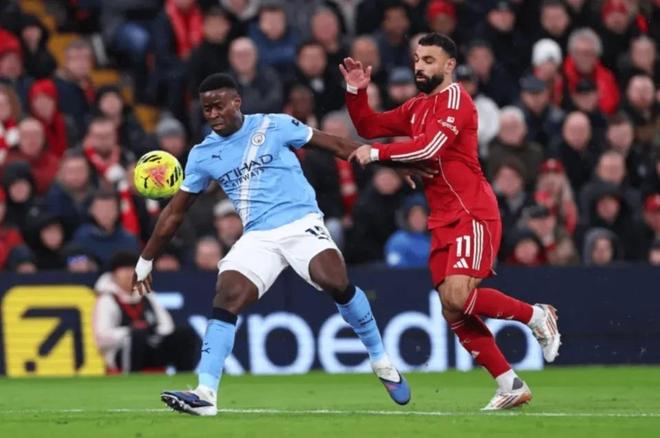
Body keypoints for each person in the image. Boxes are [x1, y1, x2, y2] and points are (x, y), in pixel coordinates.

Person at [131, 73, 430, 416]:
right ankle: (206, 394)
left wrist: (391, 161)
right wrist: (146, 259)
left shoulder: (275, 125)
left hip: (301, 222)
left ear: (236, 102)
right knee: (227, 294)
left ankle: (380, 360)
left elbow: (337, 145)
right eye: (206, 109)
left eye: (218, 106)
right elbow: (175, 212)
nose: (212, 114)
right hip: (258, 236)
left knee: (334, 280)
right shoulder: (202, 155)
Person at [343, 32, 561, 410]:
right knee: (451, 307)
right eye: (416, 59)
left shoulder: (457, 100)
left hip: (471, 210)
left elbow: (429, 148)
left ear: (449, 65)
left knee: (459, 296)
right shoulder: (417, 107)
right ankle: (509, 383)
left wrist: (377, 154)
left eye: (428, 60)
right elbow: (368, 124)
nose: (419, 67)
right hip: (442, 218)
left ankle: (536, 315)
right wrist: (355, 90)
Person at [94, 251, 200, 372]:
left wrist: (151, 333)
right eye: (124, 270)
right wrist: (130, 331)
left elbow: (167, 325)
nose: (129, 274)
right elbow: (102, 337)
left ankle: (184, 377)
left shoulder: (147, 296)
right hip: (121, 352)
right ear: (114, 275)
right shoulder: (107, 299)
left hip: (150, 345)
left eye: (132, 269)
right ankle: (131, 378)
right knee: (137, 336)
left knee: (185, 334)